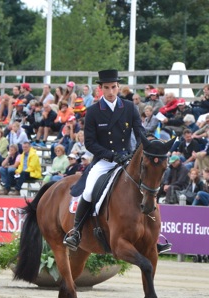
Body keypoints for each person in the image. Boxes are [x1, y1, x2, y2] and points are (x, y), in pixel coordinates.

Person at [64, 69, 149, 249]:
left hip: (127, 159)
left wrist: (141, 151)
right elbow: (89, 142)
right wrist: (111, 155)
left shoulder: (128, 107)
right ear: (100, 88)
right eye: (107, 88)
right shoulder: (94, 111)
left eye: (114, 87)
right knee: (87, 192)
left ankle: (153, 234)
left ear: (118, 87)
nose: (111, 92)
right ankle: (76, 232)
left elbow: (140, 133)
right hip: (104, 161)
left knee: (148, 188)